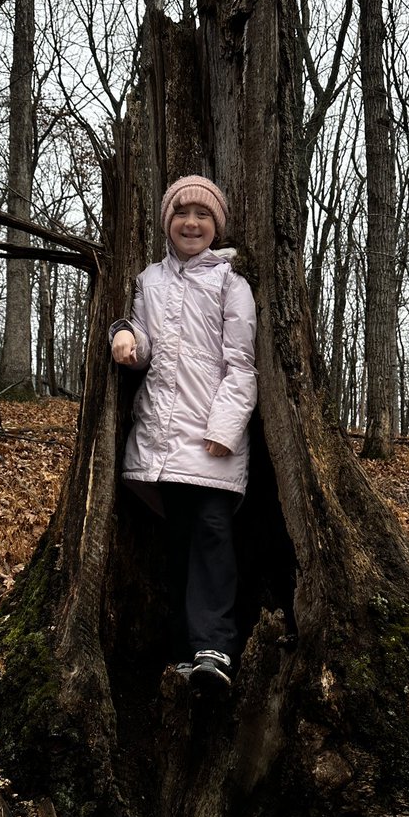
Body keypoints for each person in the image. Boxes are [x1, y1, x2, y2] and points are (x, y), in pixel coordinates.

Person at [109, 175, 257, 691]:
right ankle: (183, 650)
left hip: (212, 441)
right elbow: (144, 344)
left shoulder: (231, 284)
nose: (191, 223)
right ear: (167, 221)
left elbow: (241, 367)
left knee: (213, 536)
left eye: (203, 215)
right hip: (161, 438)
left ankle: (215, 647)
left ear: (217, 226)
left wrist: (225, 429)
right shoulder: (148, 280)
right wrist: (124, 334)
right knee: (175, 541)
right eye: (181, 213)